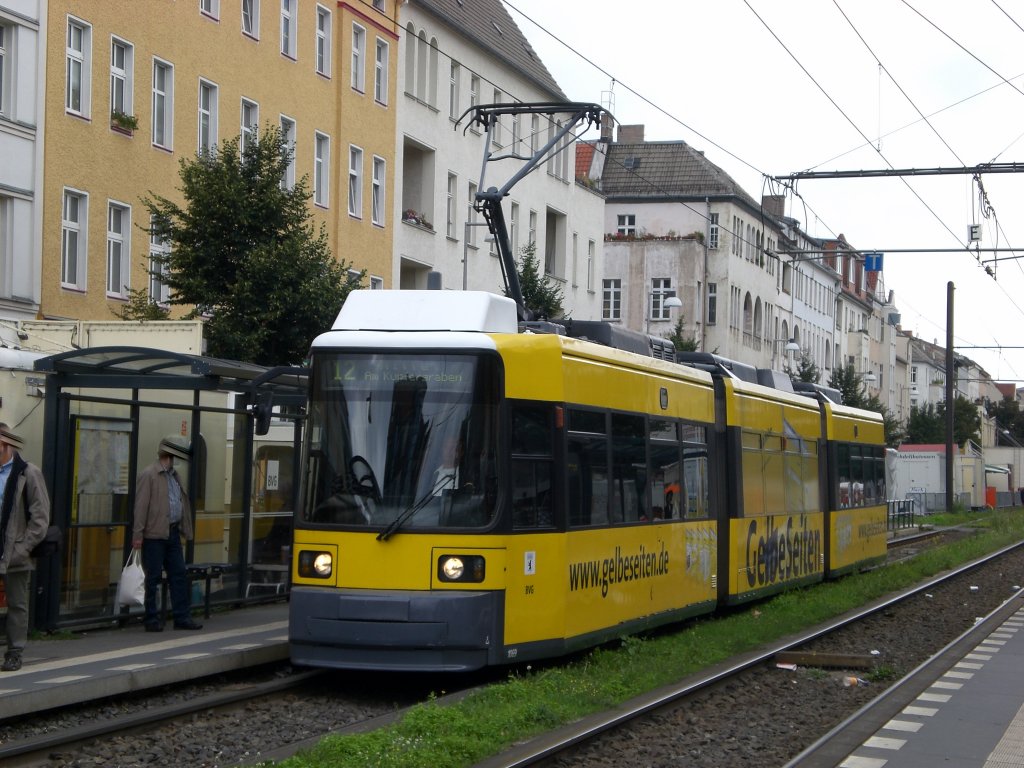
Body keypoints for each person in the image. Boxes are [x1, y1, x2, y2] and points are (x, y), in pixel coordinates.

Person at [132, 437, 202, 632]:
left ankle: (182, 617)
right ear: (169, 455)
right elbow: (141, 506)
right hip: (153, 535)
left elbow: (179, 501)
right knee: (152, 577)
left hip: (171, 532)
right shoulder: (149, 475)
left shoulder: (174, 476)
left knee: (178, 574)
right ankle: (151, 618)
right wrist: (137, 534)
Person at [0, 424, 51, 671]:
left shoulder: (28, 473)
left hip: (15, 550)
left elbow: (40, 518)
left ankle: (14, 651)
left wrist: (23, 548)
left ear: (6, 445)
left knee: (17, 604)